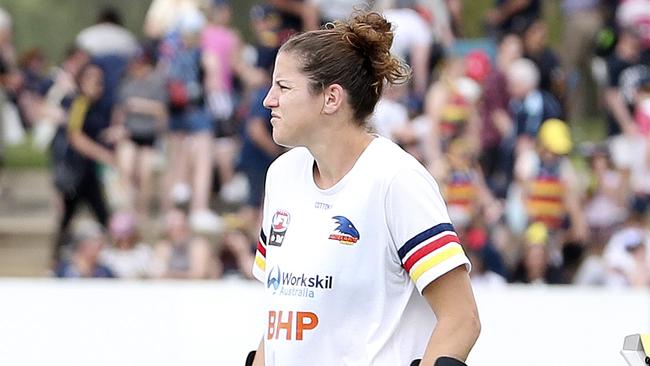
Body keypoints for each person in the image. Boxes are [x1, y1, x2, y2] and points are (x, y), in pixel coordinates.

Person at [249, 11, 480, 366]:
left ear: (331, 99)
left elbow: (461, 320)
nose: (268, 100)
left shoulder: (396, 180)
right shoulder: (281, 175)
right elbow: (280, 321)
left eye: (283, 87)